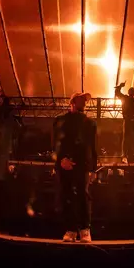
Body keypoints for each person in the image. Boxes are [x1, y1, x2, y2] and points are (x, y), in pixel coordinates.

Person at [52, 92, 98, 243]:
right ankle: (70, 230)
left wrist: (93, 169)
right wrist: (60, 160)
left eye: (85, 100)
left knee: (83, 195)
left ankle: (85, 230)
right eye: (81, 99)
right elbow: (55, 143)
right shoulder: (60, 120)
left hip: (82, 164)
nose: (84, 102)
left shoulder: (90, 123)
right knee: (66, 196)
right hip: (65, 164)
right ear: (72, 102)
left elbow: (93, 146)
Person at [115, 82, 134, 164]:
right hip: (128, 120)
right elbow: (117, 93)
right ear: (128, 92)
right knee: (126, 139)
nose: (132, 92)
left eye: (133, 91)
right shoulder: (125, 98)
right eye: (131, 91)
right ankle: (124, 156)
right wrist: (120, 86)